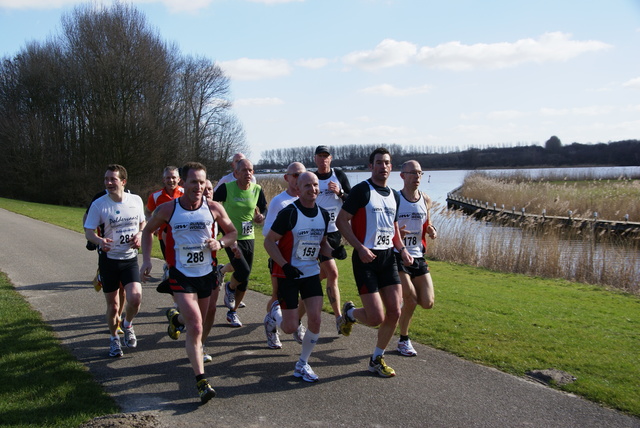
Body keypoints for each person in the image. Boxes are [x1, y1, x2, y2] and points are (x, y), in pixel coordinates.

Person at [140, 162, 238, 404]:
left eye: (202, 181)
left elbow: (232, 232)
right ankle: (201, 381)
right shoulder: (167, 209)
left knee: (198, 323)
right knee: (195, 325)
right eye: (193, 181)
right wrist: (145, 261)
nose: (198, 186)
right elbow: (147, 231)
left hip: (206, 275)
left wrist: (221, 243)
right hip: (181, 274)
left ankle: (176, 318)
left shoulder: (213, 208)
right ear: (183, 184)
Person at [335, 147, 413, 378]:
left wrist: (403, 249)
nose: (383, 166)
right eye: (378, 162)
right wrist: (360, 247)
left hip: (388, 257)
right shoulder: (361, 190)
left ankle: (376, 358)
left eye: (387, 163)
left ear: (391, 167)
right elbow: (342, 221)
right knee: (376, 317)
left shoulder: (395, 196)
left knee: (395, 311)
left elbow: (394, 228)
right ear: (371, 166)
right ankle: (349, 315)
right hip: (365, 259)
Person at [263, 172, 334, 382]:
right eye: (307, 186)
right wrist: (284, 265)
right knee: (290, 327)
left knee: (316, 318)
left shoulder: (323, 214)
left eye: (315, 185)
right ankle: (273, 316)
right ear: (298, 188)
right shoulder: (289, 213)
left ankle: (302, 363)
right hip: (289, 274)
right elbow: (269, 242)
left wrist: (333, 251)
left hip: (311, 272)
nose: (312, 189)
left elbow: (322, 243)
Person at [84, 164, 146, 358]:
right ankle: (114, 340)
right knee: (114, 306)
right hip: (109, 261)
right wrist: (99, 241)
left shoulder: (136, 200)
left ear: (123, 181)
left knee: (135, 298)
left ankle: (128, 325)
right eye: (106, 179)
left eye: (113, 179)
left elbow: (143, 222)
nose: (108, 183)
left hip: (129, 259)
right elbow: (88, 230)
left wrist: (140, 235)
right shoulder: (99, 204)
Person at [213, 158, 267, 328]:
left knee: (245, 277)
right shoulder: (227, 188)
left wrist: (261, 216)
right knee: (242, 270)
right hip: (230, 237)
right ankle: (229, 287)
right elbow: (211, 203)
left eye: (250, 170)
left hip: (249, 236)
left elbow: (263, 207)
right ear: (235, 173)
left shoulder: (257, 189)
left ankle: (233, 312)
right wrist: (218, 225)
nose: (248, 173)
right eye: (244, 170)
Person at [261, 162, 308, 348]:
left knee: (303, 295)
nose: (298, 178)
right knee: (277, 297)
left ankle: (296, 322)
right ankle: (271, 325)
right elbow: (267, 232)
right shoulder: (279, 202)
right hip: (282, 259)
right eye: (295, 175)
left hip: (304, 258)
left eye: (302, 174)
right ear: (286, 178)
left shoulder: (310, 199)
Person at [395, 160, 437, 357]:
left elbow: (427, 222)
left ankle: (397, 306)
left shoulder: (426, 199)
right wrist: (397, 236)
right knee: (411, 299)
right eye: (412, 173)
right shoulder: (395, 198)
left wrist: (430, 229)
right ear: (402, 176)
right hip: (398, 254)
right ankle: (404, 340)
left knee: (427, 302)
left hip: (418, 255)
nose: (417, 177)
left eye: (419, 173)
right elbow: (385, 227)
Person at [312, 145, 350, 333]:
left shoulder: (339, 175)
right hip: (317, 233)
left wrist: (340, 193)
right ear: (315, 159)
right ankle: (339, 319)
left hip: (335, 231)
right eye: (320, 156)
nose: (323, 159)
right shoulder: (311, 178)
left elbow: (352, 201)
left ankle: (300, 299)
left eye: (326, 156)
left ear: (330, 159)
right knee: (332, 273)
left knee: (322, 275)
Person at [145, 166, 183, 264]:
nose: (171, 180)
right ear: (163, 180)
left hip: (183, 234)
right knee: (170, 262)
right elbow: (148, 212)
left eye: (174, 177)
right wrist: (154, 228)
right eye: (168, 178)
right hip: (163, 236)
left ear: (179, 179)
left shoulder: (185, 193)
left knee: (183, 263)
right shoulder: (155, 196)